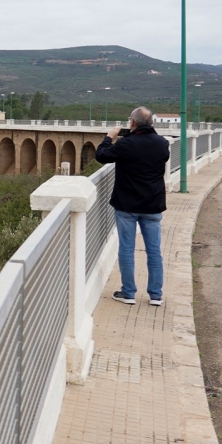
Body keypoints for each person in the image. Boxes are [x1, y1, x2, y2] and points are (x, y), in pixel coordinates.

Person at [95, 107, 170, 305]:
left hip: (127, 205)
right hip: (153, 205)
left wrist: (109, 137)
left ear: (132, 123)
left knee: (126, 249)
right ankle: (156, 295)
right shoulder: (162, 144)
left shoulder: (127, 144)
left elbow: (101, 156)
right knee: (154, 250)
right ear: (152, 123)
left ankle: (128, 293)